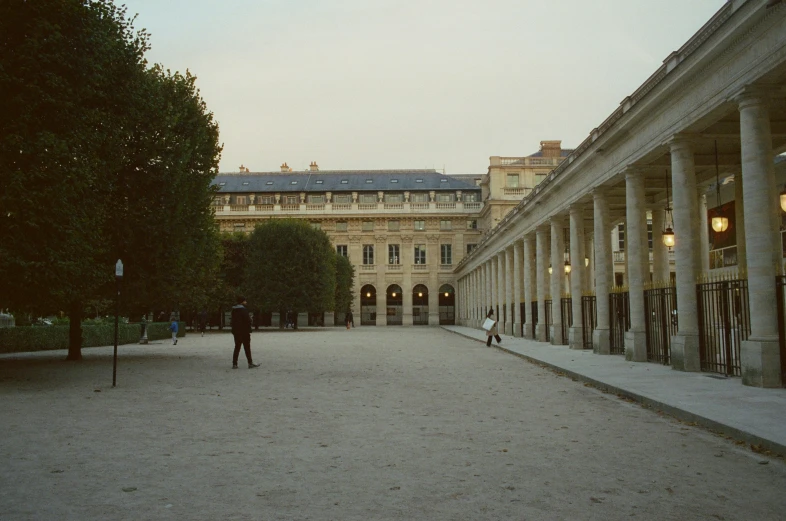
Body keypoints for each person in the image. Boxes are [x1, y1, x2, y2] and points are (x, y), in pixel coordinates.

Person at [231, 296, 259, 369]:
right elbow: (247, 321)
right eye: (245, 301)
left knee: (237, 347)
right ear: (242, 302)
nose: (246, 302)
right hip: (244, 331)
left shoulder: (234, 310)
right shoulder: (244, 310)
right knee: (247, 347)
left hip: (236, 331)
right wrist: (251, 320)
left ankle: (234, 363)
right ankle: (250, 363)